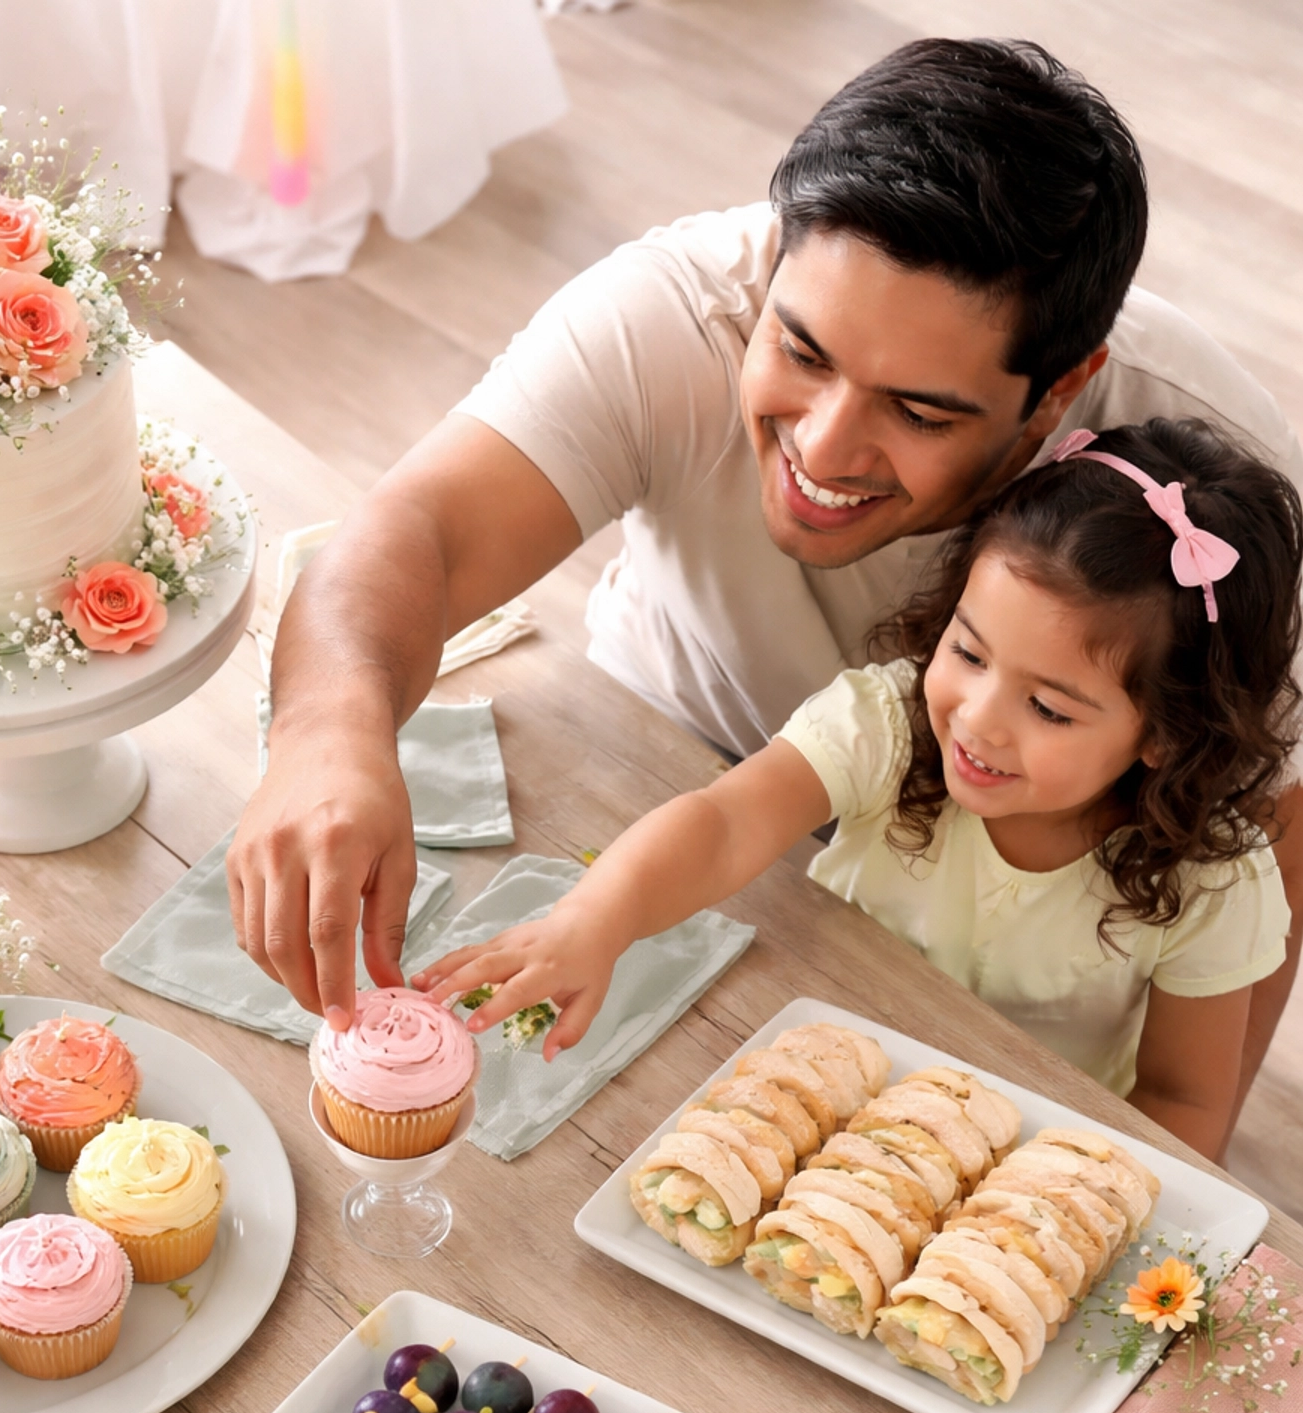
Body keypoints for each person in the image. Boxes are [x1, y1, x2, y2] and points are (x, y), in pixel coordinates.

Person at [227, 36, 1303, 1120]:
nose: (826, 451)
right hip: (666, 785)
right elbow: (419, 531)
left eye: (920, 412)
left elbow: (1277, 826)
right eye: (800, 352)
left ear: (1062, 388)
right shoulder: (672, 310)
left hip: (1033, 942)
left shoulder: (1216, 495)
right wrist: (325, 736)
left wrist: (1187, 1146)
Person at [413, 419, 1301, 1161]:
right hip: (802, 1070)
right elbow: (724, 824)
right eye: (969, 651)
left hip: (1020, 1152)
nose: (978, 721)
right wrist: (594, 919)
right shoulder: (890, 722)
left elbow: (1185, 1101)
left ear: (1165, 733)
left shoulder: (1212, 881)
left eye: (1047, 707)